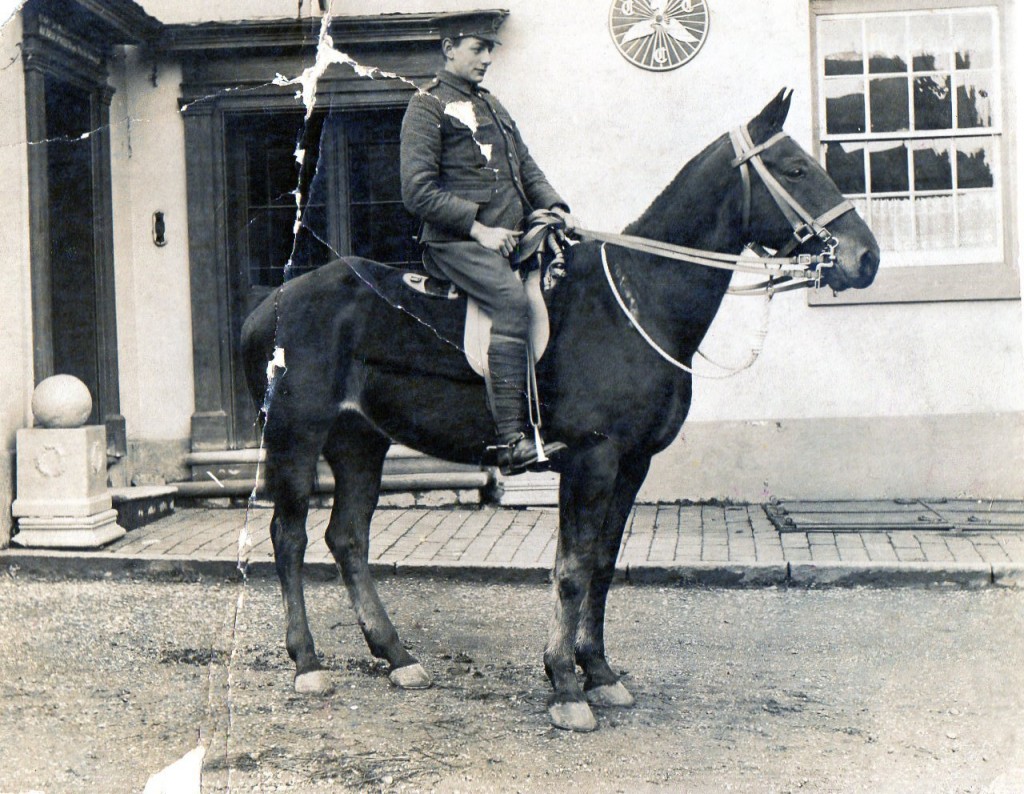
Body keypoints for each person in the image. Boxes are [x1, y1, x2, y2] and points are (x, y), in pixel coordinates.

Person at [400, 11, 574, 475]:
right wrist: (478, 229)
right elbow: (416, 191)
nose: (487, 58)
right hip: (458, 242)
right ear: (448, 49)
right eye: (478, 48)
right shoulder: (427, 105)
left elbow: (525, 167)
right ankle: (510, 440)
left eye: (490, 48)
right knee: (512, 305)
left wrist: (555, 207)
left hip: (510, 238)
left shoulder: (492, 105)